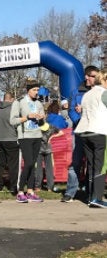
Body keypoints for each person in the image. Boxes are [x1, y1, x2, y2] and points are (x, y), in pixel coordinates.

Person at [62, 65, 99, 203]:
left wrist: (84, 112)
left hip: (95, 131)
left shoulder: (100, 91)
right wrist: (81, 120)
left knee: (93, 163)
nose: (96, 79)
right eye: (94, 76)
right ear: (87, 77)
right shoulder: (76, 92)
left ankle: (91, 193)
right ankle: (70, 192)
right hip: (79, 132)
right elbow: (71, 111)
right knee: (75, 162)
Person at [74, 67, 107, 208]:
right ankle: (97, 198)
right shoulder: (104, 93)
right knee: (99, 166)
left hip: (84, 132)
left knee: (91, 165)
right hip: (98, 131)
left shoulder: (87, 94)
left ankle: (90, 197)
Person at [10, 78, 46, 203]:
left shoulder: (39, 103)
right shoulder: (19, 102)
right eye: (34, 90)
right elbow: (13, 121)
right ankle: (20, 191)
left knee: (33, 164)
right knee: (29, 162)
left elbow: (42, 123)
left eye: (38, 90)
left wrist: (42, 118)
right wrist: (27, 117)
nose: (37, 92)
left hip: (37, 135)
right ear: (28, 90)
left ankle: (30, 191)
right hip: (25, 136)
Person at [0, 92, 19, 195]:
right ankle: (13, 186)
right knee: (13, 165)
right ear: (12, 99)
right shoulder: (13, 109)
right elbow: (16, 124)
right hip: (11, 138)